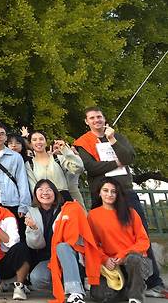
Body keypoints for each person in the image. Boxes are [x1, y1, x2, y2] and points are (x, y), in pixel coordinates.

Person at [75, 106, 165, 297]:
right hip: (102, 194)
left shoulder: (116, 136)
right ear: (86, 121)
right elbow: (91, 167)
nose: (96, 120)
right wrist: (117, 162)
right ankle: (108, 278)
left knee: (140, 235)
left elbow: (129, 157)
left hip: (126, 192)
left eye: (99, 116)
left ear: (104, 118)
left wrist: (113, 141)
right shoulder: (82, 142)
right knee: (99, 237)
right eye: (92, 118)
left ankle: (153, 282)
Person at [25, 180, 99, 303]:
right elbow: (35, 245)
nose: (45, 192)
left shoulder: (67, 208)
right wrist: (34, 229)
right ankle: (67, 287)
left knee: (62, 246)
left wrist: (78, 210)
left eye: (49, 189)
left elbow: (81, 231)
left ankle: (75, 293)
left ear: (55, 192)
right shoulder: (31, 213)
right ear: (35, 194)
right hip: (50, 259)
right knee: (36, 278)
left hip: (71, 255)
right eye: (41, 190)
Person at [88, 178, 153, 303]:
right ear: (99, 193)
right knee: (98, 295)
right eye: (105, 190)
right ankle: (128, 289)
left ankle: (135, 296)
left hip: (133, 261)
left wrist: (123, 254)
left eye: (114, 191)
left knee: (133, 259)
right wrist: (105, 259)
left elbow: (143, 240)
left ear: (118, 194)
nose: (109, 194)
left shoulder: (130, 213)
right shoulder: (92, 215)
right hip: (111, 264)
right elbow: (93, 245)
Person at [25, 131, 83, 202]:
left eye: (41, 139)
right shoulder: (29, 165)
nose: (38, 142)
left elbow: (78, 167)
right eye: (34, 140)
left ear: (46, 142)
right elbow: (34, 189)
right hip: (44, 202)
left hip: (63, 199)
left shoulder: (58, 158)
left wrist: (65, 151)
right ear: (30, 144)